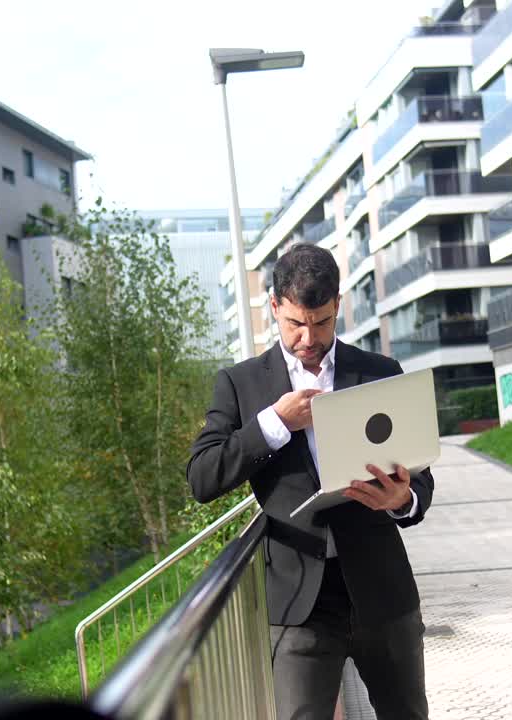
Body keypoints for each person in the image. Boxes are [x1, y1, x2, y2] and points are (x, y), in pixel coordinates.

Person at [187, 244, 433, 720]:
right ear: (274, 307)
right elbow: (202, 477)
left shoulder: (379, 374)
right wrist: (274, 423)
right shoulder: (241, 385)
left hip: (384, 594)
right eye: (296, 323)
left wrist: (404, 499)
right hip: (300, 604)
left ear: (338, 304)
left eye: (321, 322)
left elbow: (421, 481)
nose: (308, 337)